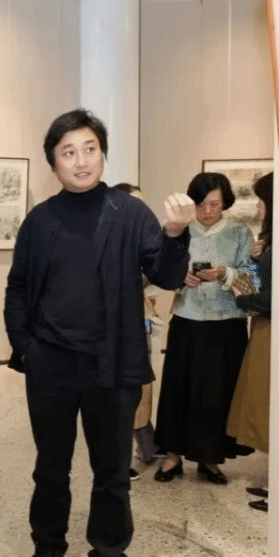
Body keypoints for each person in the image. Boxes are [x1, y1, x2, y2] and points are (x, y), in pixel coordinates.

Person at [6, 109, 195, 557]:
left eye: (89, 148)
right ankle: (48, 550)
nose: (81, 160)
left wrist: (175, 233)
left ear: (102, 154)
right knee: (50, 467)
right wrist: (26, 347)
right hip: (51, 365)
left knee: (111, 470)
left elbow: (166, 275)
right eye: (68, 152)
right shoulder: (40, 220)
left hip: (112, 365)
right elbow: (18, 287)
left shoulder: (129, 213)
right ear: (54, 163)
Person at [153, 172, 255, 486]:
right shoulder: (180, 231)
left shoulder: (240, 233)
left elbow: (251, 283)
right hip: (187, 318)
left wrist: (224, 273)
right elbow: (159, 271)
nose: (208, 211)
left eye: (215, 204)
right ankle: (172, 455)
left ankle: (210, 458)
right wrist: (180, 276)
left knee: (216, 393)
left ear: (226, 203)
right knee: (178, 389)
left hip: (226, 323)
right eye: (201, 204)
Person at [228, 173, 273, 512]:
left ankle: (276, 485)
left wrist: (240, 297)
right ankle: (272, 480)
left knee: (267, 403)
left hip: (271, 327)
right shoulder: (271, 241)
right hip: (265, 327)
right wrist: (258, 260)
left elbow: (270, 298)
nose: (258, 208)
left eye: (262, 201)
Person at [111, 183, 161, 479]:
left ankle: (147, 446)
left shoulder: (142, 237)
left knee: (141, 388)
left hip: (139, 322)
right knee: (119, 396)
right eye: (135, 203)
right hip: (112, 329)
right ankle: (120, 460)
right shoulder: (106, 239)